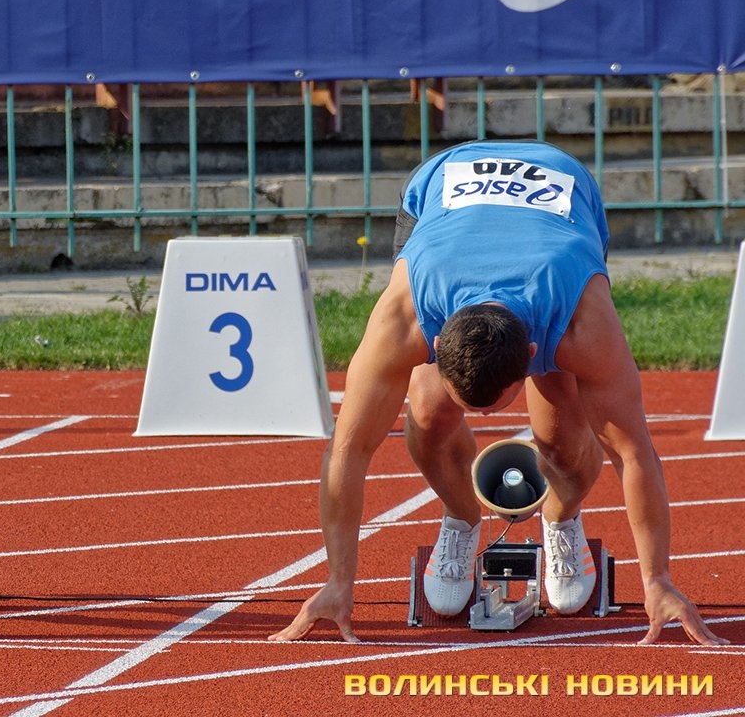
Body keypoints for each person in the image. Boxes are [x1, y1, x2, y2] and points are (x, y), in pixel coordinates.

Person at [268, 139, 727, 646]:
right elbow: (348, 448)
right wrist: (338, 580)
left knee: (561, 441)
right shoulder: (406, 317)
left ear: (533, 355)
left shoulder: (581, 322)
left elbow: (634, 452)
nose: (483, 418)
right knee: (428, 413)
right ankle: (462, 518)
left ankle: (561, 517)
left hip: (560, 199)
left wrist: (657, 579)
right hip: (444, 186)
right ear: (434, 344)